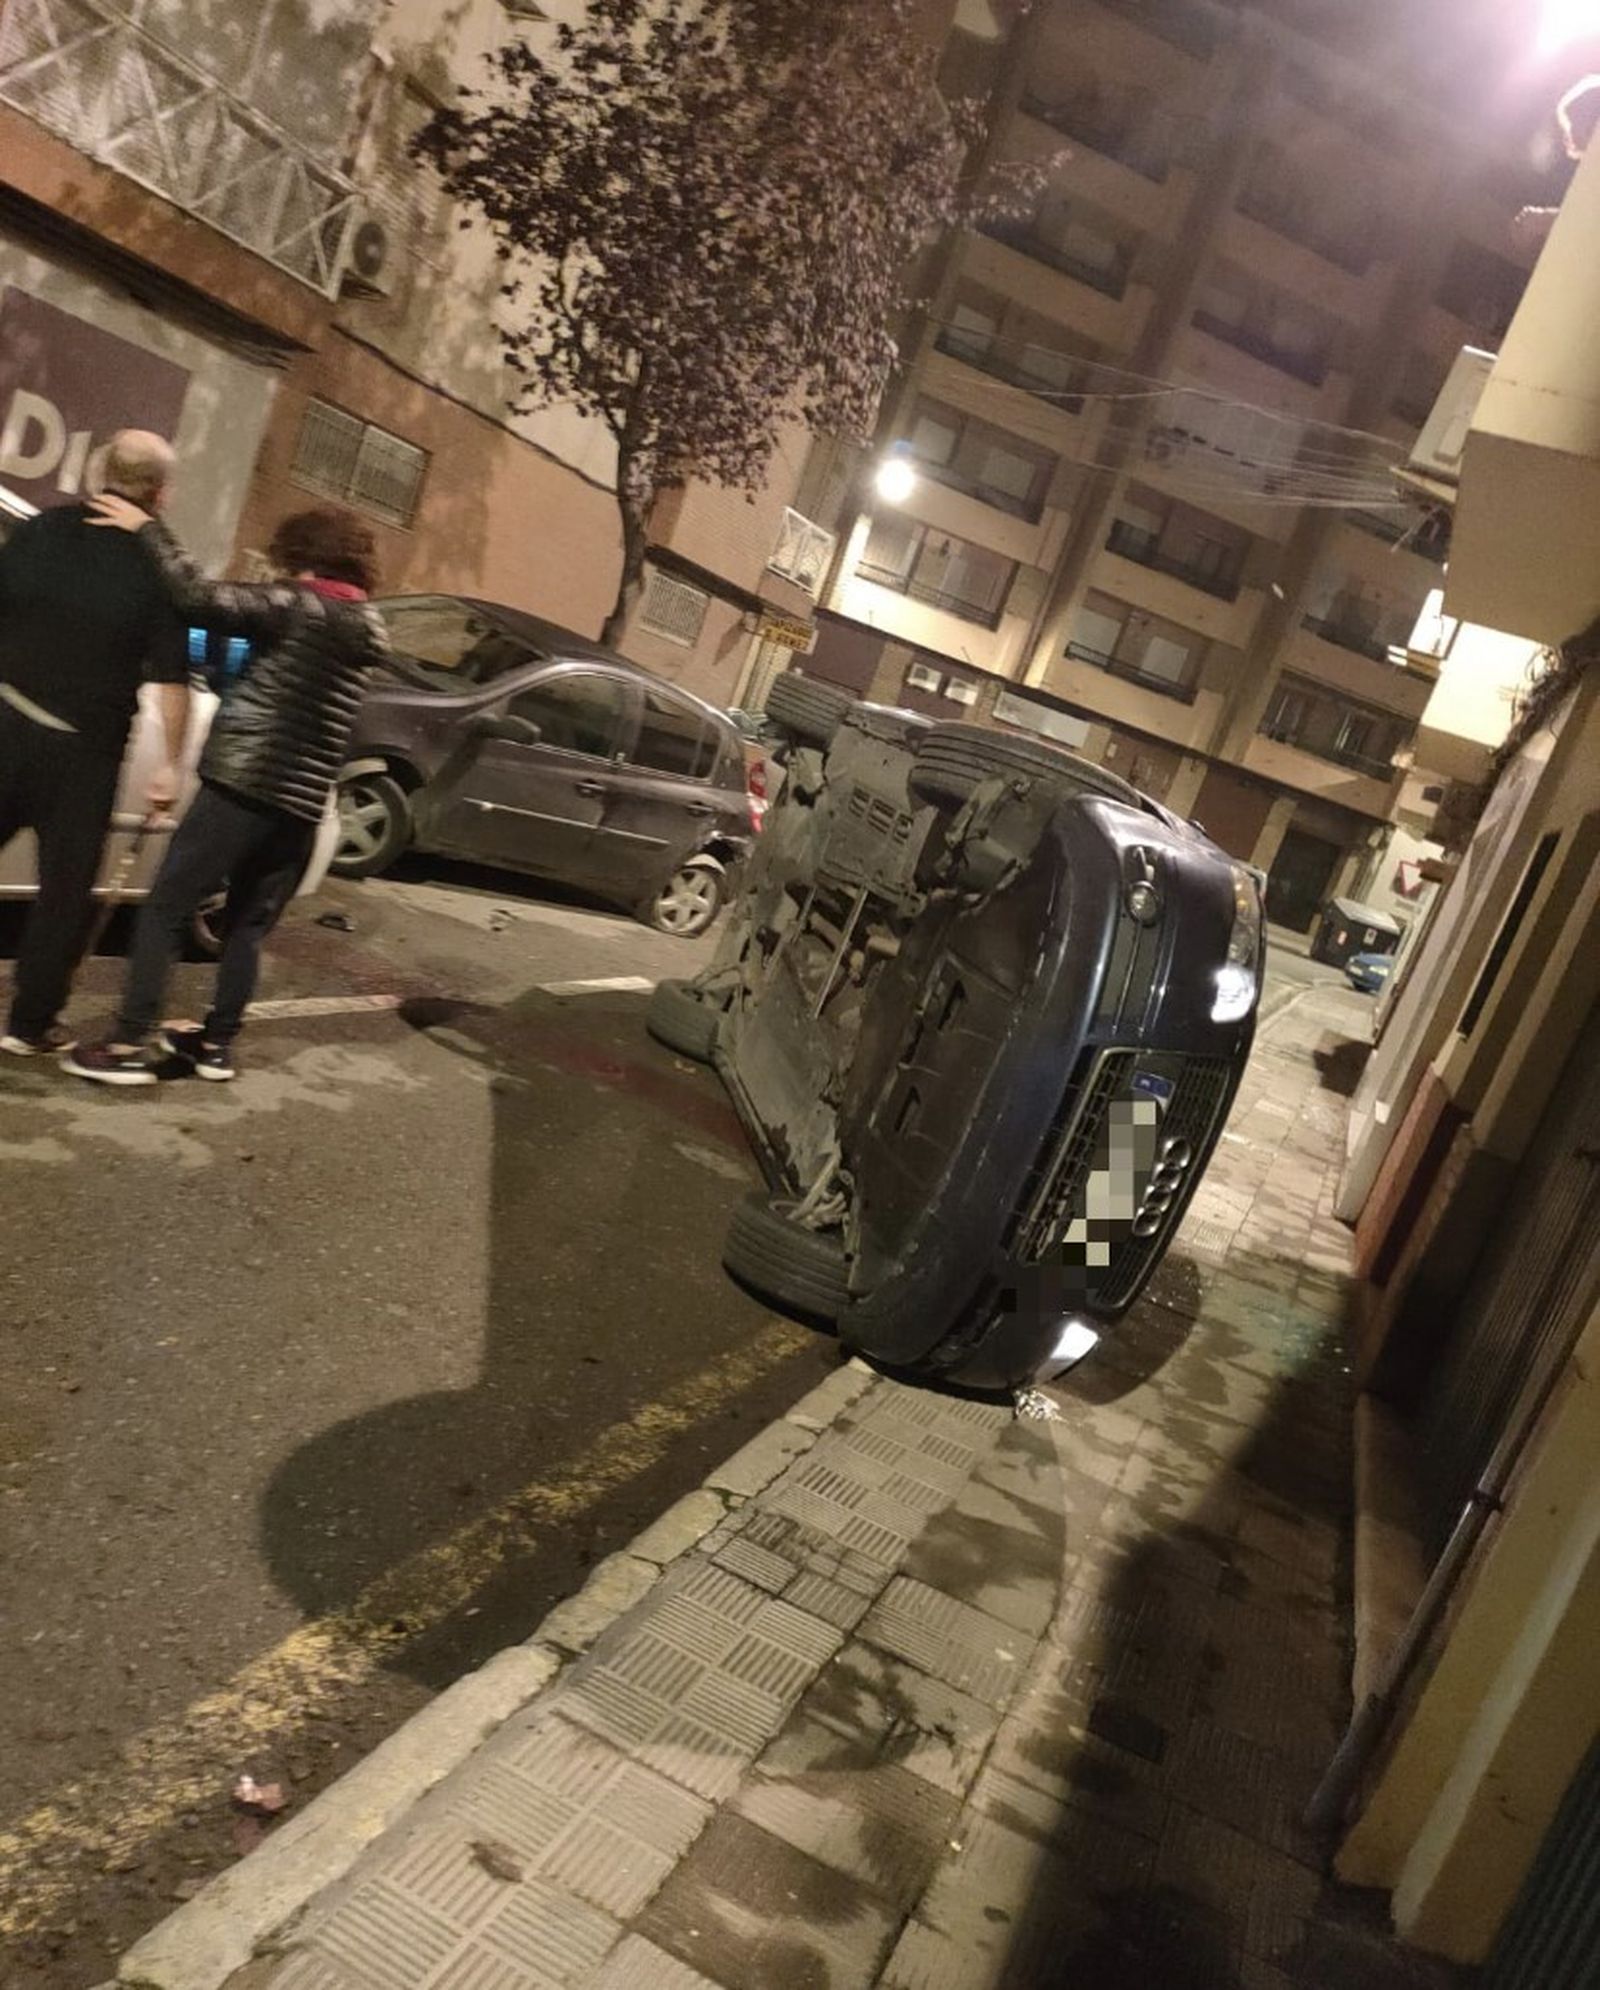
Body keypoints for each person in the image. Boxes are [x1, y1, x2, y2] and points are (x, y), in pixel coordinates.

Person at [66, 504, 388, 1085]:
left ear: (305, 557)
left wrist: (148, 527)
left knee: (166, 906)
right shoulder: (365, 625)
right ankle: (216, 1046)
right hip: (302, 804)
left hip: (243, 785)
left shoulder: (297, 605)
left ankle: (130, 1044)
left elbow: (196, 596)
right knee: (246, 927)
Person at [0, 431, 189, 1056]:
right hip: (84, 753)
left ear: (100, 470)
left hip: (6, 721)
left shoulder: (40, 530)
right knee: (63, 894)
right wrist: (169, 766)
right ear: (160, 493)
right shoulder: (154, 568)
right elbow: (170, 678)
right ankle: (30, 1024)